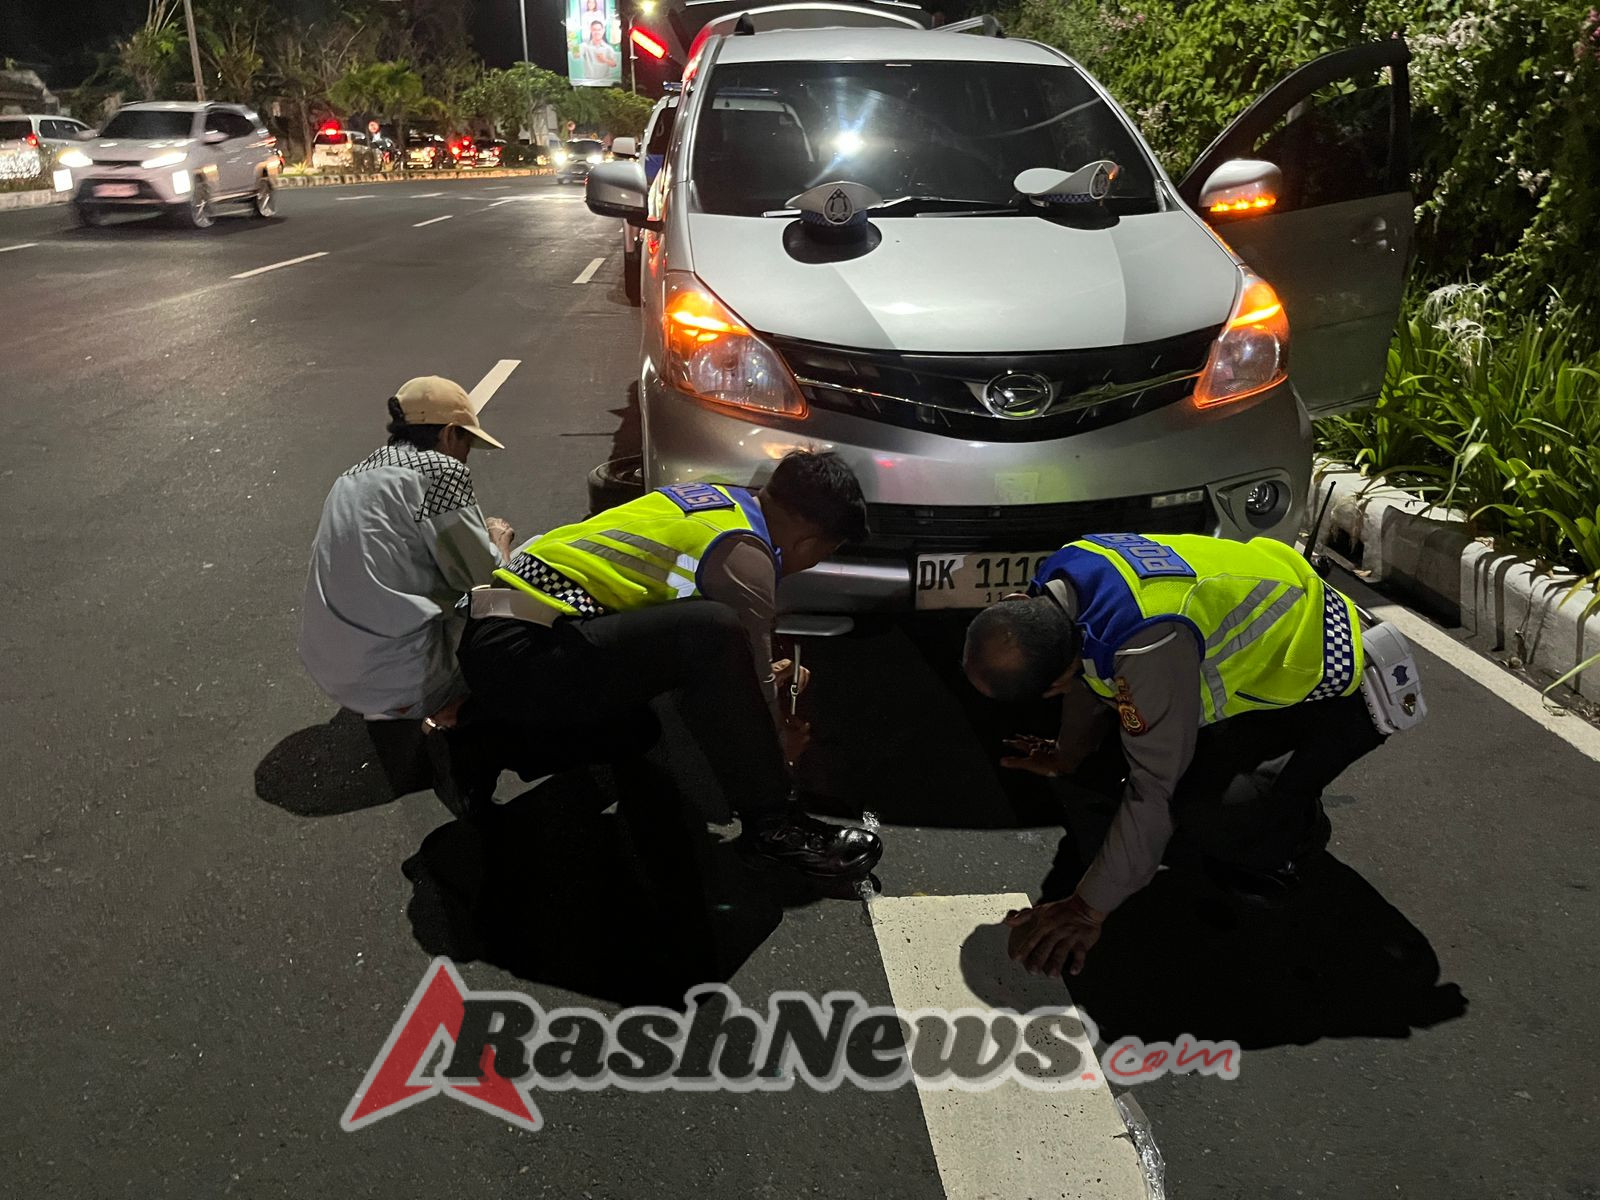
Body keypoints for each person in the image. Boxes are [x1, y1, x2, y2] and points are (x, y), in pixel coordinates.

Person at [962, 532, 1426, 978]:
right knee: (1116, 763)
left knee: (1204, 808)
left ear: (1054, 683)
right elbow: (1087, 674)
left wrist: (1086, 909)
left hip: (1346, 682)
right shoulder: (1065, 575)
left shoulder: (1148, 641)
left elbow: (1153, 788)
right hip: (1279, 635)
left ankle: (1289, 835)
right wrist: (1066, 755)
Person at [453, 450, 883, 880]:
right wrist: (778, 753)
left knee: (641, 729)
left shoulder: (714, 499)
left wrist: (752, 677)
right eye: (820, 554)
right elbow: (741, 667)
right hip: (527, 648)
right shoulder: (744, 555)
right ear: (810, 543)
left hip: (503, 630)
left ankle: (484, 741)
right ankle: (774, 826)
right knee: (715, 629)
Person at [299, 376, 513, 722]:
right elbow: (487, 580)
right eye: (467, 444)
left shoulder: (351, 477)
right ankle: (457, 715)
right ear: (448, 434)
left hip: (332, 674)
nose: (466, 457)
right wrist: (498, 538)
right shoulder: (439, 472)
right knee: (516, 597)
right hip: (407, 684)